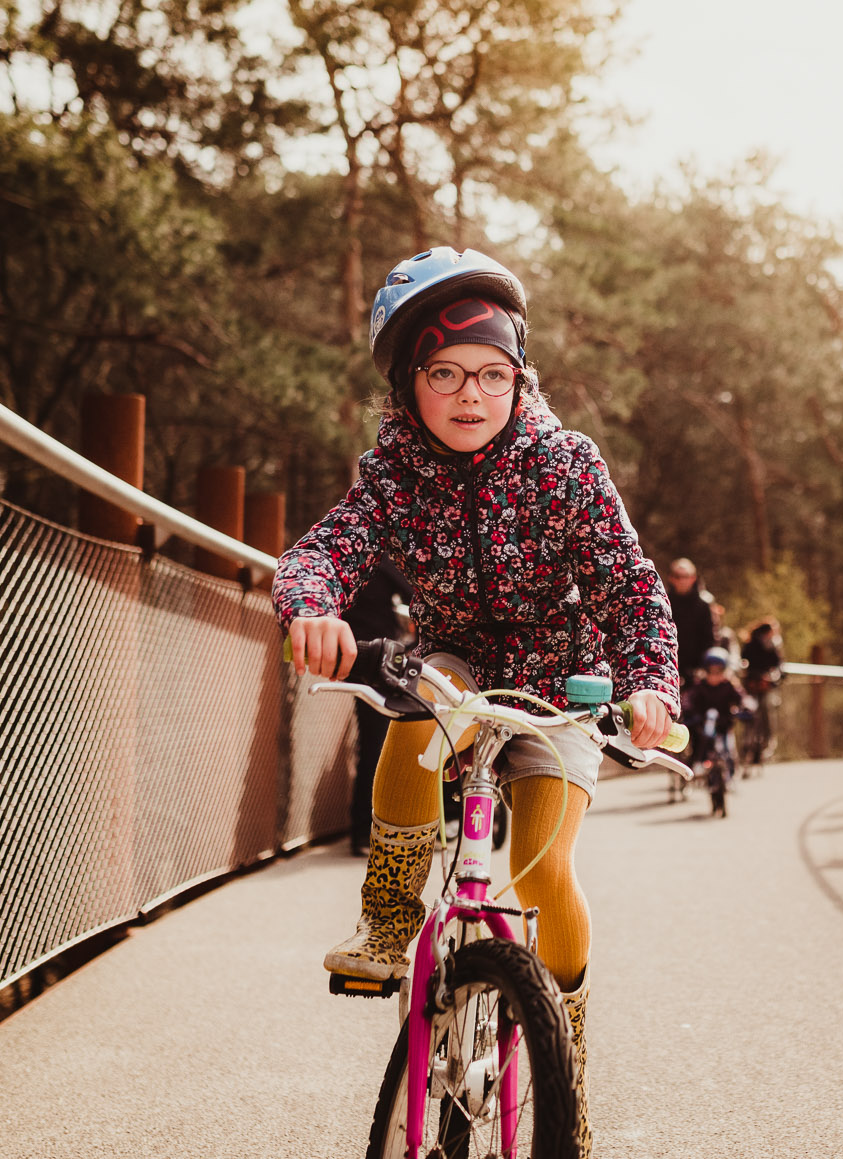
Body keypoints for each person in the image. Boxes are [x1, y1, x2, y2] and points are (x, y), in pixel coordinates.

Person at [277, 246, 677, 1156]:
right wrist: (312, 605)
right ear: (408, 382)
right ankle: (388, 922)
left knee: (541, 868)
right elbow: (323, 550)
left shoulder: (567, 464)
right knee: (420, 708)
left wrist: (650, 678)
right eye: (446, 373)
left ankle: (562, 1041)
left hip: (558, 671)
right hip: (453, 653)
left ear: (519, 377)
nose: (471, 394)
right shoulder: (392, 473)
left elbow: (627, 584)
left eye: (494, 374)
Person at [342, 563, 413, 856]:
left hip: (351, 656)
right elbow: (414, 592)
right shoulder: (380, 558)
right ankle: (371, 829)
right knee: (380, 745)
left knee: (369, 742)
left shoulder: (346, 557)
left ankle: (360, 830)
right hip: (379, 659)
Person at [682, 647, 744, 781]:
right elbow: (688, 701)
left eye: (719, 671)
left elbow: (742, 700)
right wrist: (689, 713)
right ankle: (696, 765)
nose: (715, 676)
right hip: (704, 725)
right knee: (699, 744)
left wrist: (742, 710)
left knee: (729, 748)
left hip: (724, 724)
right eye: (711, 671)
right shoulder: (699, 687)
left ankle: (731, 772)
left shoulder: (730, 686)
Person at [663, 557, 715, 683]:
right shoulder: (663, 602)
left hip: (698, 669)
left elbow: (710, 637)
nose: (681, 580)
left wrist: (704, 667)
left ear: (693, 578)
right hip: (668, 665)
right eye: (677, 576)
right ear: (671, 578)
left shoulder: (704, 603)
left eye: (685, 576)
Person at [741, 618, 784, 766]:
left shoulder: (774, 646)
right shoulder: (751, 644)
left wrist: (772, 679)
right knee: (749, 709)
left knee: (767, 706)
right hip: (752, 684)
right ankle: (747, 741)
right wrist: (752, 677)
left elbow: (779, 667)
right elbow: (744, 662)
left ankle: (769, 739)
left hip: (767, 686)